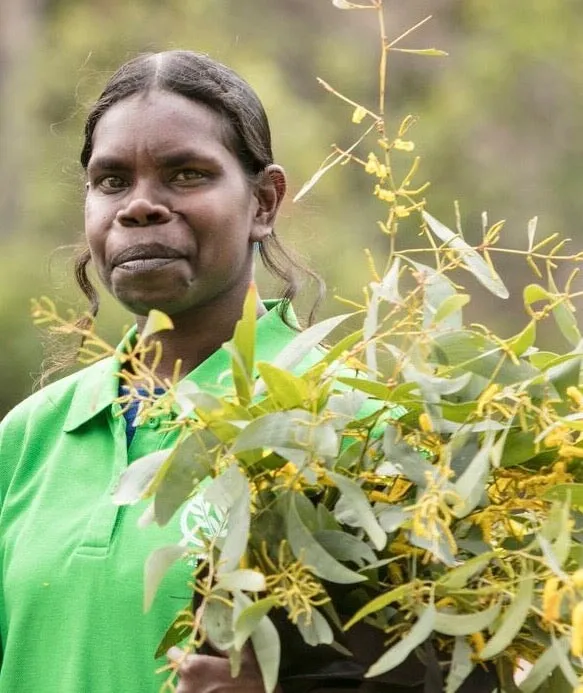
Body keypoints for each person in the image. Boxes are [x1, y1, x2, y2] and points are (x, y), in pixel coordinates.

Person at [0, 50, 498, 693]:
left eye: (185, 175)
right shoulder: (26, 441)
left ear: (264, 201)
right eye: (112, 182)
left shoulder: (362, 430)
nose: (140, 206)